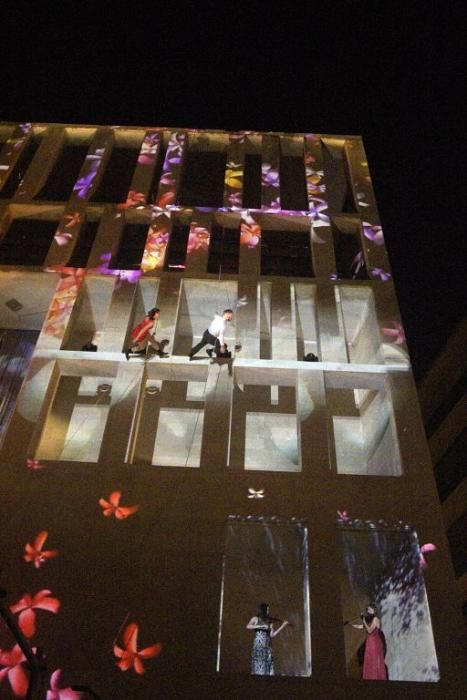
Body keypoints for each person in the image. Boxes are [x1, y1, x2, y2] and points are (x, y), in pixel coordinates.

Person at [246, 603, 289, 675]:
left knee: (268, 665)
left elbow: (272, 635)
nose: (268, 612)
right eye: (266, 610)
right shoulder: (255, 619)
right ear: (262, 610)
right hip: (258, 646)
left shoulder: (270, 621)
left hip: (267, 646)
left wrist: (282, 626)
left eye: (268, 610)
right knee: (258, 664)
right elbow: (248, 626)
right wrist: (261, 626)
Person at [352, 603, 388, 680]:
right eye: (367, 609)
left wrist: (363, 620)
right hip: (370, 642)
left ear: (374, 610)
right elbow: (364, 626)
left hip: (374, 643)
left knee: (374, 661)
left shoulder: (375, 619)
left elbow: (369, 630)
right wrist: (355, 626)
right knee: (369, 661)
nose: (368, 611)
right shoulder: (371, 619)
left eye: (370, 609)